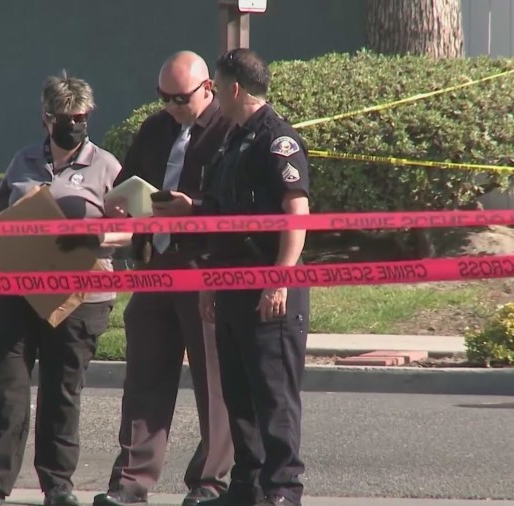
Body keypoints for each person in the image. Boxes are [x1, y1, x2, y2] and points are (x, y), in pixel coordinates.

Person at [0, 72, 131, 506]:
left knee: (62, 392)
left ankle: (58, 484)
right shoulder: (23, 160)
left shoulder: (107, 166)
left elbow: (131, 230)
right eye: (66, 117)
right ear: (47, 118)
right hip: (18, 287)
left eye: (82, 117)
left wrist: (91, 239)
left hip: (80, 295)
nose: (75, 125)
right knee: (5, 385)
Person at [93, 50, 235, 506]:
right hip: (155, 264)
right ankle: (130, 483)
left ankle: (210, 483)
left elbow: (237, 204)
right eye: (164, 97)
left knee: (214, 380)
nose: (172, 106)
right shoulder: (155, 129)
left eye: (181, 98)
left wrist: (192, 209)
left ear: (208, 88)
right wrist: (118, 204)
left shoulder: (229, 130)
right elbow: (130, 182)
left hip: (204, 265)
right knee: (145, 377)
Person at [197, 48, 312, 506]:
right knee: (239, 393)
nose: (215, 99)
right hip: (231, 285)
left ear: (235, 88)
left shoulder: (277, 141)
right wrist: (209, 282)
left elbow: (296, 215)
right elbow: (222, 220)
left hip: (269, 289)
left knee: (274, 395)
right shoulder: (231, 141)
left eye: (216, 89)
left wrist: (280, 279)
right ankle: (248, 487)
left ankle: (282, 490)